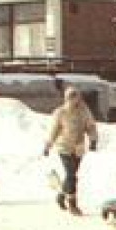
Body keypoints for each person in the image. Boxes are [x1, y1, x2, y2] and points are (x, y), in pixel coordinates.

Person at [43, 84, 98, 215]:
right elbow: (54, 131)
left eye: (76, 97)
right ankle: (73, 205)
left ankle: (62, 194)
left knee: (71, 175)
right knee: (71, 175)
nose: (75, 100)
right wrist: (48, 145)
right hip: (64, 147)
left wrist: (93, 139)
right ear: (67, 98)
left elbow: (90, 126)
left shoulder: (84, 111)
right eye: (71, 97)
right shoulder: (60, 112)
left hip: (78, 148)